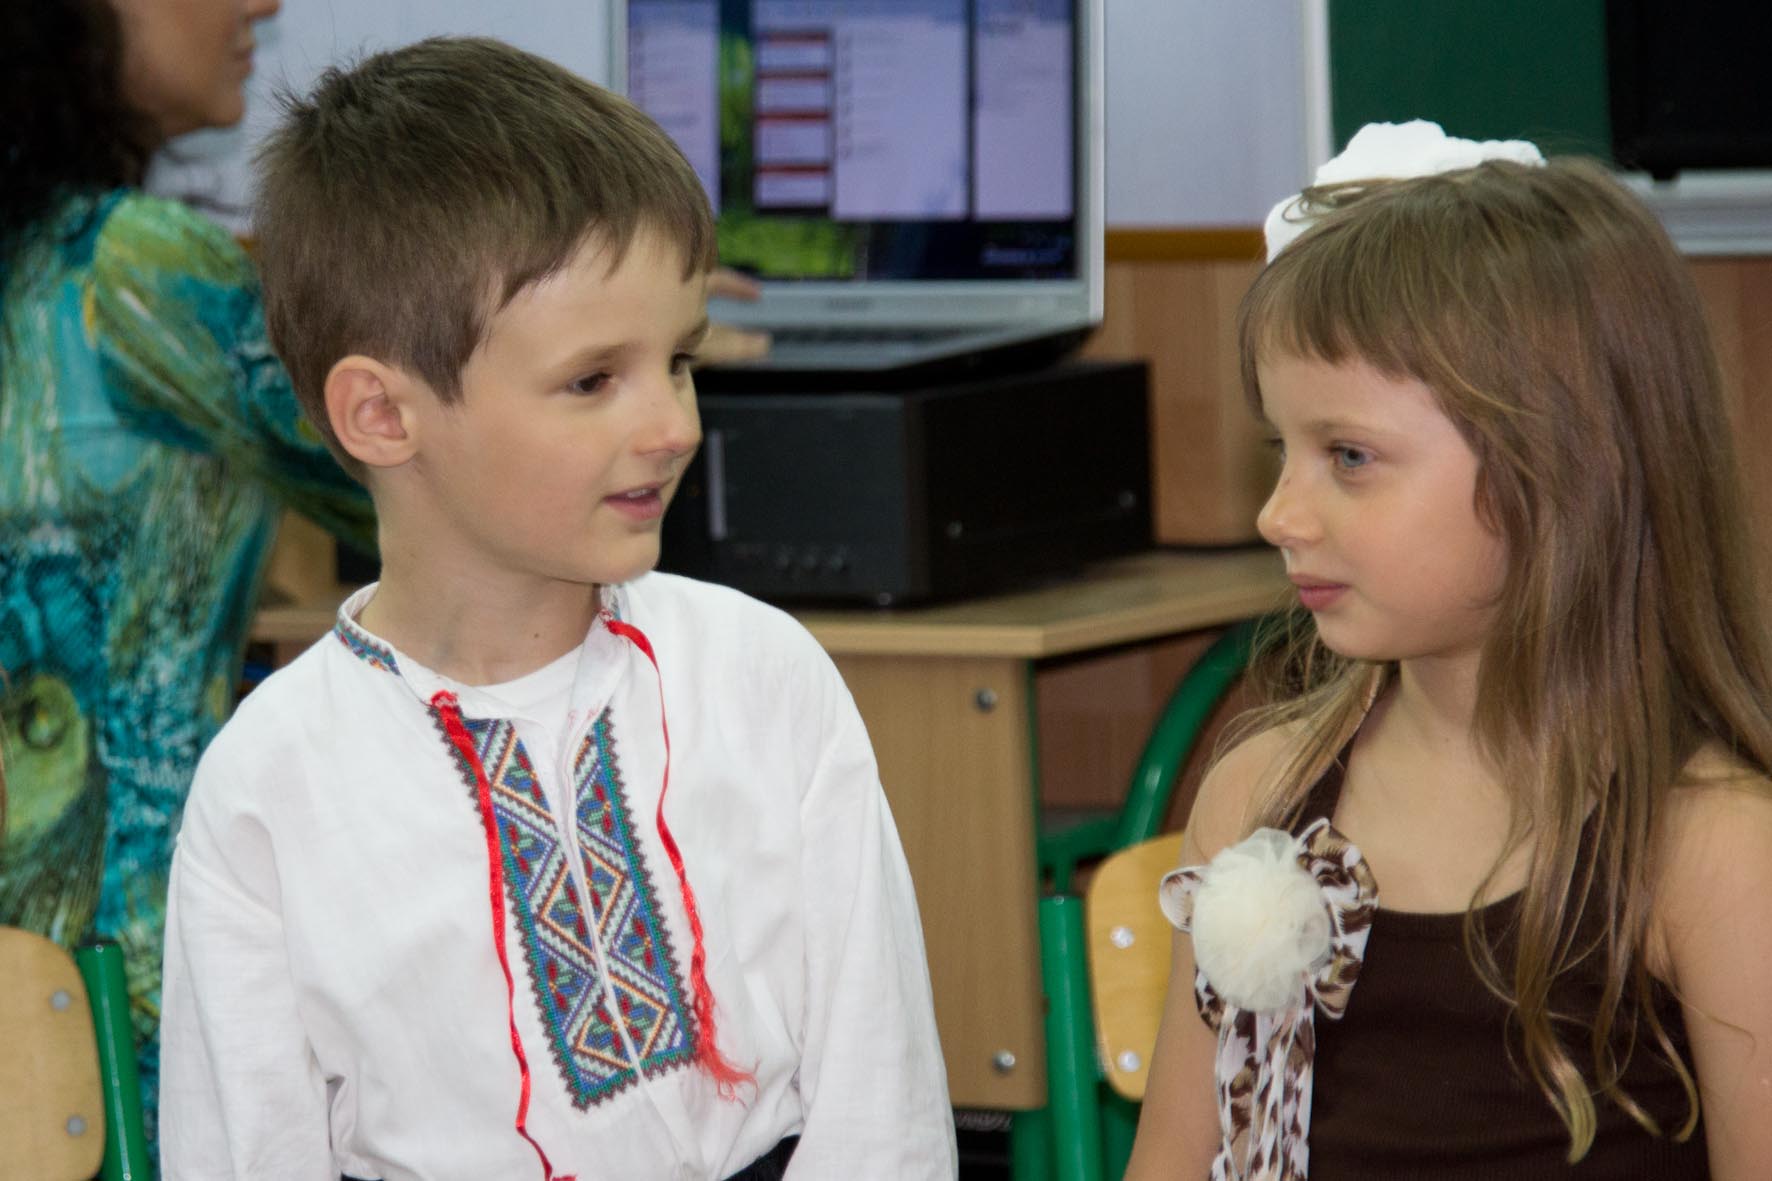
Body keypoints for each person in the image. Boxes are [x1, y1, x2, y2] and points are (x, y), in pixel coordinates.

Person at [157, 36, 955, 1180]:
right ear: (381, 415)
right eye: (592, 380)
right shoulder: (267, 787)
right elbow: (243, 1153)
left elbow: (883, 1108)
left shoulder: (758, 674)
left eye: (679, 361)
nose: (671, 425)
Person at [1127, 122, 1772, 1180]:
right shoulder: (1258, 794)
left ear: (1557, 468)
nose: (1278, 513)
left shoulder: (1712, 851)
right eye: (1281, 449)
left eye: (1347, 455)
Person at [0, 0, 374, 1140]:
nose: (261, 4)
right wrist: (584, 338)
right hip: (122, 1006)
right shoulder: (131, 271)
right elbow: (423, 469)